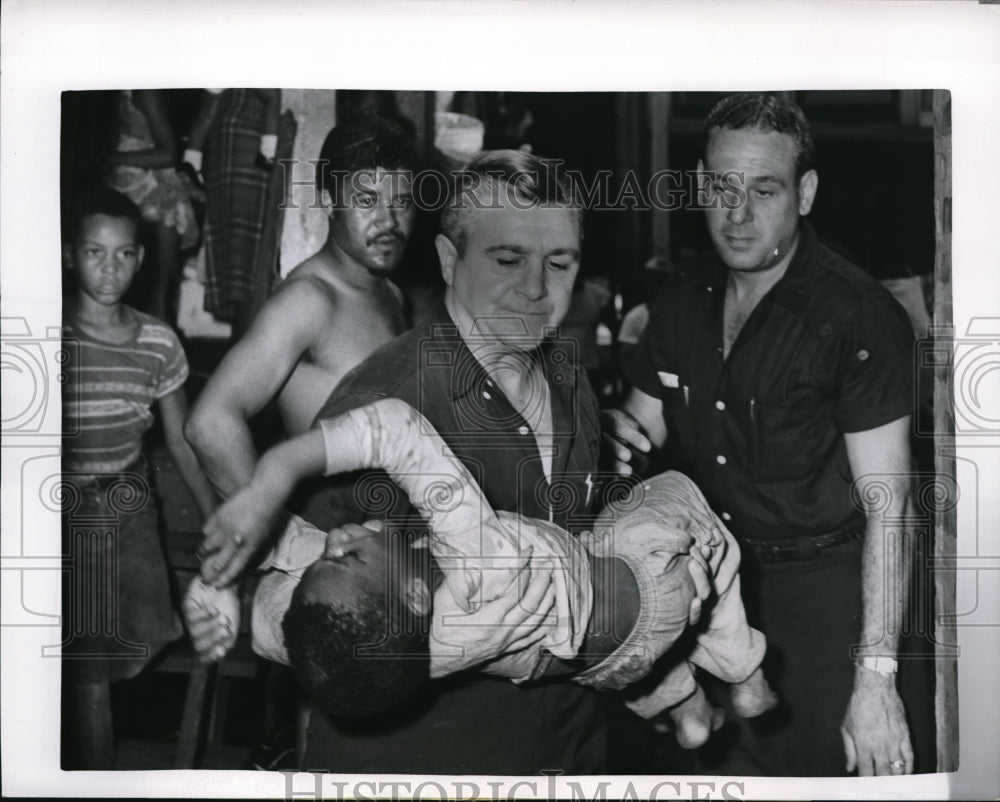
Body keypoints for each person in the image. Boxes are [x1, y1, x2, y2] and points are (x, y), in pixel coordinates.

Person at [190, 150, 608, 774]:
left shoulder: (571, 380)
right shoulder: (385, 397)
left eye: (559, 262)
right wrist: (225, 582)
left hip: (569, 745)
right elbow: (310, 592)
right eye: (507, 259)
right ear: (449, 261)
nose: (536, 288)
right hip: (422, 761)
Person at [605, 93, 917, 777]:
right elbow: (636, 436)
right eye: (721, 186)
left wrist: (876, 679)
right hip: (706, 595)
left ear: (804, 194)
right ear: (697, 184)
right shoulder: (682, 299)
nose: (737, 213)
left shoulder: (857, 316)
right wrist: (598, 433)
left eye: (764, 189)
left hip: (824, 607)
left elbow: (890, 506)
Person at [187, 397, 777, 748]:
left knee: (608, 641)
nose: (336, 539)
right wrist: (275, 474)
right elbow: (397, 429)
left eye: (324, 558)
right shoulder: (478, 564)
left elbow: (279, 627)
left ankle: (688, 711)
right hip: (654, 589)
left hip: (607, 668)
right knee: (674, 498)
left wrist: (222, 580)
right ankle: (744, 670)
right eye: (349, 554)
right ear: (418, 595)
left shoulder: (388, 648)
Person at [182, 115, 417, 767]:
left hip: (385, 559)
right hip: (326, 563)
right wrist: (285, 539)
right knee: (320, 758)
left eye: (401, 200)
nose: (389, 218)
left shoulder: (390, 291)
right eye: (368, 200)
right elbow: (210, 422)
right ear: (330, 200)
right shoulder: (309, 299)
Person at [60, 188, 217, 769]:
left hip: (127, 511)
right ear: (70, 255)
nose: (109, 269)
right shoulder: (48, 335)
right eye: (95, 253)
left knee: (122, 654)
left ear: (141, 259)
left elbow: (183, 440)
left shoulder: (158, 342)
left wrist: (215, 522)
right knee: (84, 668)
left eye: (123, 254)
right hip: (59, 513)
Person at [105, 89, 200, 322]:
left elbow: (169, 153)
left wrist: (113, 159)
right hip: (118, 193)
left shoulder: (144, 92)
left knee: (156, 299)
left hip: (155, 196)